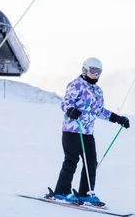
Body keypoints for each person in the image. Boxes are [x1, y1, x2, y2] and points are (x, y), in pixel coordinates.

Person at [51, 57, 130, 205]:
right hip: (72, 129)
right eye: (93, 71)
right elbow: (66, 103)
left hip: (87, 132)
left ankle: (85, 193)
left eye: (99, 71)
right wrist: (71, 111)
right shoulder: (76, 85)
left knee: (91, 162)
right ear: (85, 70)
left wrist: (118, 119)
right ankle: (62, 191)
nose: (96, 74)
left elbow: (99, 111)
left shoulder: (98, 91)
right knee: (71, 160)